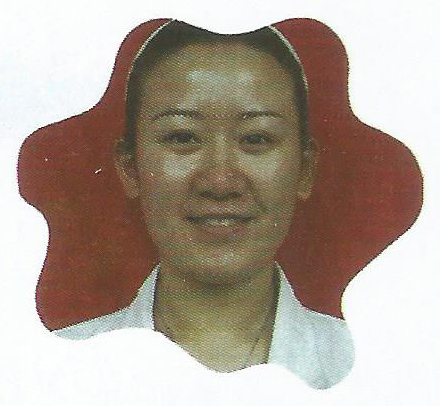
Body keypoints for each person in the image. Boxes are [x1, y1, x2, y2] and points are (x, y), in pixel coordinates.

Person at [53, 20, 354, 389]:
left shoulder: (369, 364)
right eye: (183, 137)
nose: (220, 182)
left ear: (304, 170)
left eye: (256, 139)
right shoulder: (55, 367)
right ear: (131, 168)